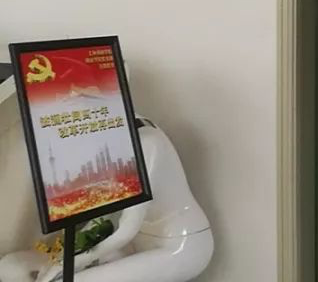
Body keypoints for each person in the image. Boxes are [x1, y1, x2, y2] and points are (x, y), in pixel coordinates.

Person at [0, 118, 213, 282]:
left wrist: (70, 264)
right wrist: (67, 255)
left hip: (178, 244)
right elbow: (105, 218)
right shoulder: (101, 140)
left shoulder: (147, 144)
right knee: (10, 267)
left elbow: (126, 229)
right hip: (130, 241)